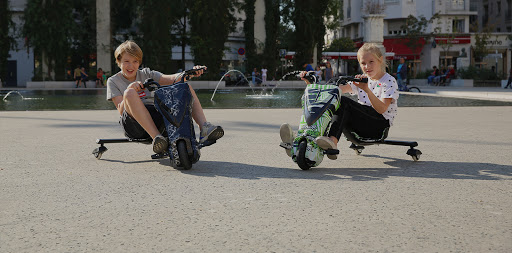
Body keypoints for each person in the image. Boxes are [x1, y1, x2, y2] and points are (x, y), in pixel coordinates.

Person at [280, 43, 399, 160]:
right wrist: (311, 85)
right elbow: (333, 91)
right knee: (333, 99)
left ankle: (332, 141)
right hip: (361, 125)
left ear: (381, 60)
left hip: (379, 127)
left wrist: (366, 89)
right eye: (363, 63)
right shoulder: (363, 80)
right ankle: (302, 139)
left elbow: (382, 109)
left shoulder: (388, 81)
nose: (367, 66)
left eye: (371, 62)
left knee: (343, 102)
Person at [106, 40, 224, 154]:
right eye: (126, 61)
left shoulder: (146, 74)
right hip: (134, 125)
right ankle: (157, 138)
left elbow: (172, 79)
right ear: (118, 61)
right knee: (129, 93)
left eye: (135, 61)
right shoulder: (113, 81)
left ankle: (204, 128)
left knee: (185, 87)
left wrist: (190, 73)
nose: (131, 65)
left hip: (156, 117)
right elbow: (121, 111)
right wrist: (129, 89)